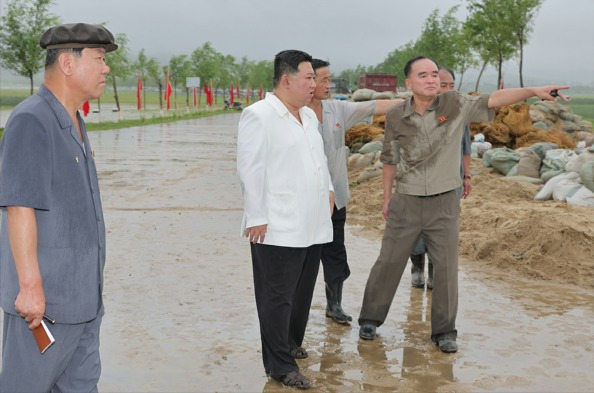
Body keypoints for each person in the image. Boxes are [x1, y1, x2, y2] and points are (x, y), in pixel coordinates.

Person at [357, 56, 568, 353]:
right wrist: (387, 198)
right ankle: (370, 319)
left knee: (445, 267)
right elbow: (390, 160)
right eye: (423, 75)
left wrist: (532, 90)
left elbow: (494, 98)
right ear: (409, 83)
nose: (431, 80)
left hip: (444, 202)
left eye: (434, 74)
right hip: (406, 200)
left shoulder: (454, 105)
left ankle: (444, 331)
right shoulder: (396, 116)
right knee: (389, 261)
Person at [0, 23, 117, 391]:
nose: (106, 68)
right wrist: (30, 288)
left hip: (84, 300)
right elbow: (20, 207)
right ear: (67, 63)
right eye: (99, 59)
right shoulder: (32, 120)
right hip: (44, 307)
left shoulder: (74, 121)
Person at [236, 50, 334, 390]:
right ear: (287, 79)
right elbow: (250, 170)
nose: (314, 84)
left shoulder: (307, 117)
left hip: (313, 222)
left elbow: (318, 160)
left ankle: (291, 343)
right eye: (309, 78)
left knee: (302, 292)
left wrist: (330, 190)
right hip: (277, 224)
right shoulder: (259, 115)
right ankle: (279, 365)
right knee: (276, 296)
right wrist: (257, 216)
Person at [308, 59, 402, 324]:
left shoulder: (337, 110)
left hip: (334, 197)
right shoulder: (293, 112)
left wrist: (419, 101)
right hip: (303, 199)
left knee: (335, 251)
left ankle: (333, 304)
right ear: (309, 81)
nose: (328, 85)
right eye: (323, 80)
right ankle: (295, 304)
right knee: (300, 254)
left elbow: (376, 105)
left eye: (329, 79)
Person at [409, 66, 472, 290]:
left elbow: (466, 148)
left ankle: (436, 274)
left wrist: (467, 176)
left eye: (451, 86)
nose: (447, 89)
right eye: (443, 85)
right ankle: (417, 267)